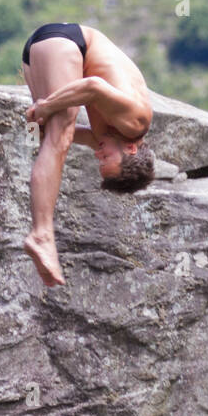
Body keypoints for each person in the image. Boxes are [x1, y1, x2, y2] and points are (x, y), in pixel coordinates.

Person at [21, 22, 156, 286]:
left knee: (55, 135)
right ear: (131, 148)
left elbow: (37, 133)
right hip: (69, 42)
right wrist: (48, 106)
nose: (98, 154)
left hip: (35, 52)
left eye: (100, 160)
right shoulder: (137, 121)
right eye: (106, 159)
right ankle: (41, 235)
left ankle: (40, 233)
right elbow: (93, 86)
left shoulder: (104, 138)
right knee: (61, 131)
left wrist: (34, 124)